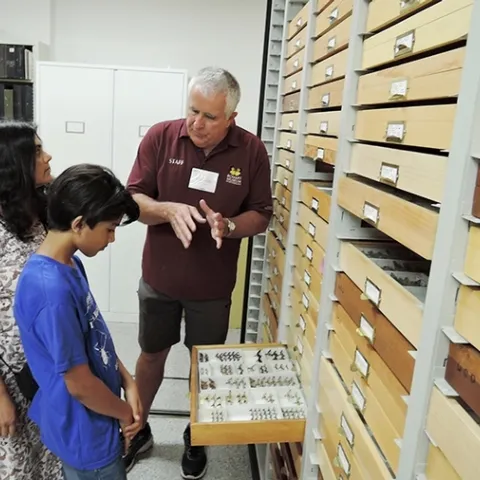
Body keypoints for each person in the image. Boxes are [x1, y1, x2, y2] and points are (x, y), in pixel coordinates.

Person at [124, 66, 273, 479]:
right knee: (152, 353)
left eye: (209, 116)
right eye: (193, 111)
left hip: (212, 286)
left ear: (231, 119)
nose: (197, 123)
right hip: (160, 278)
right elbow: (132, 199)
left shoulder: (251, 151)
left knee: (204, 364)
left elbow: (261, 215)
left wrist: (229, 226)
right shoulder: (161, 136)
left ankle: (197, 436)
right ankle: (139, 429)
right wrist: (166, 209)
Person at [13, 163, 143, 480]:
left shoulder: (70, 263)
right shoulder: (50, 292)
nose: (111, 239)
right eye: (109, 229)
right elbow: (80, 385)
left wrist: (127, 379)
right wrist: (125, 414)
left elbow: (95, 335)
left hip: (100, 414)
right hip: (87, 432)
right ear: (79, 224)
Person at [0, 121, 63, 480]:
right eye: (37, 151)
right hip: (10, 381)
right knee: (19, 468)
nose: (47, 156)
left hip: (48, 369)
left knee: (53, 461)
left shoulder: (40, 213)